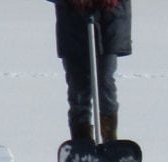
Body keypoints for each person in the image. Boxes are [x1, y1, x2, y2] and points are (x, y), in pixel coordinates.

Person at [49, 0, 132, 142]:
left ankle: (110, 139)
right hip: (73, 24)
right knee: (78, 87)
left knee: (105, 82)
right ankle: (81, 141)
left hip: (109, 22)